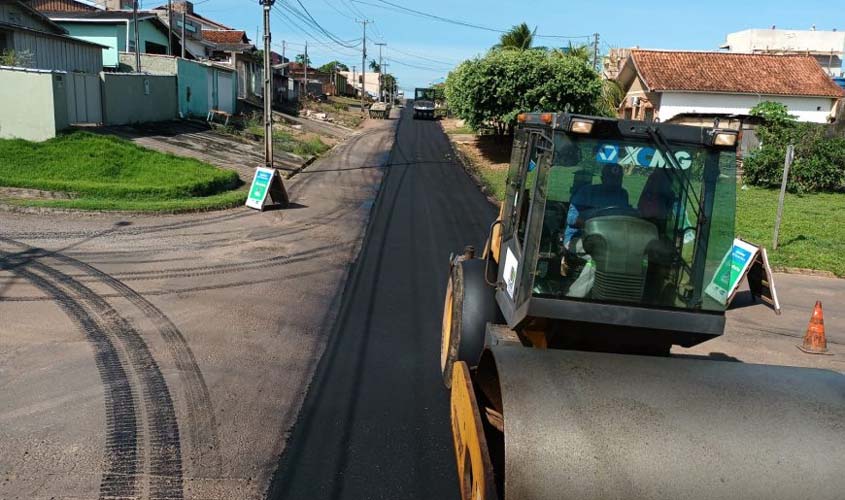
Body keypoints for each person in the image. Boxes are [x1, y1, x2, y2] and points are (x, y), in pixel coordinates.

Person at [563, 163, 630, 253]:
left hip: (610, 239)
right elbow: (571, 218)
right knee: (603, 251)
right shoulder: (586, 192)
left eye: (618, 179)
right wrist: (593, 223)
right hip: (578, 238)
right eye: (611, 179)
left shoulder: (622, 194)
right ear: (602, 179)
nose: (615, 182)